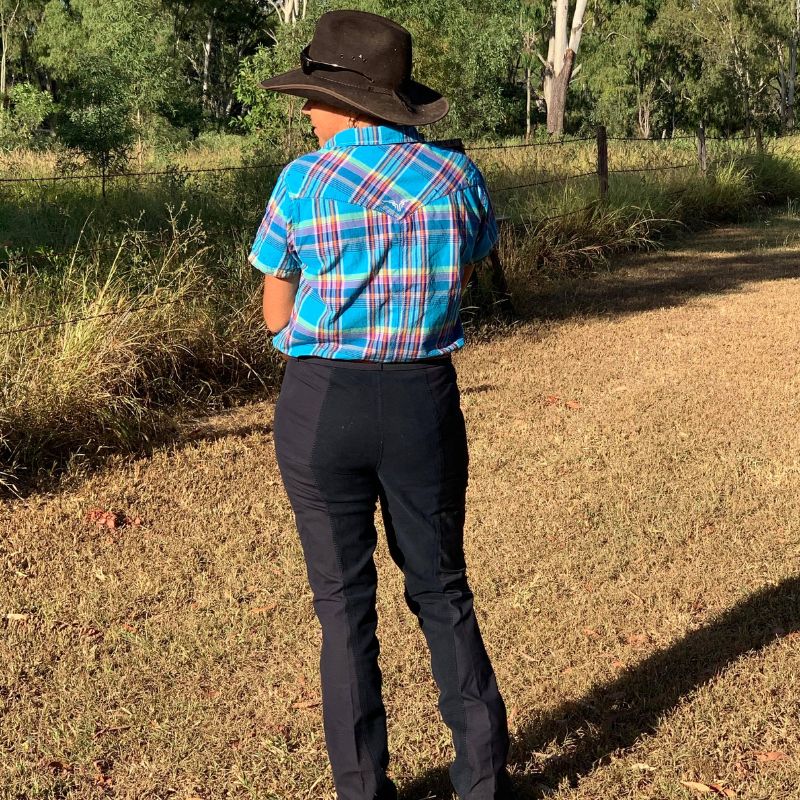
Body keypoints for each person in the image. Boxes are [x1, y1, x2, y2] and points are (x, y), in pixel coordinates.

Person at [248, 10, 514, 800]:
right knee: (442, 589)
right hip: (420, 400)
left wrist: (303, 334)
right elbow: (462, 275)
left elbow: (273, 308)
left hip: (321, 398)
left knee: (342, 606)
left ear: (347, 102)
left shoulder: (302, 182)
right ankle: (483, 783)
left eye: (312, 95)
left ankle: (363, 789)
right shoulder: (457, 177)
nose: (305, 111)